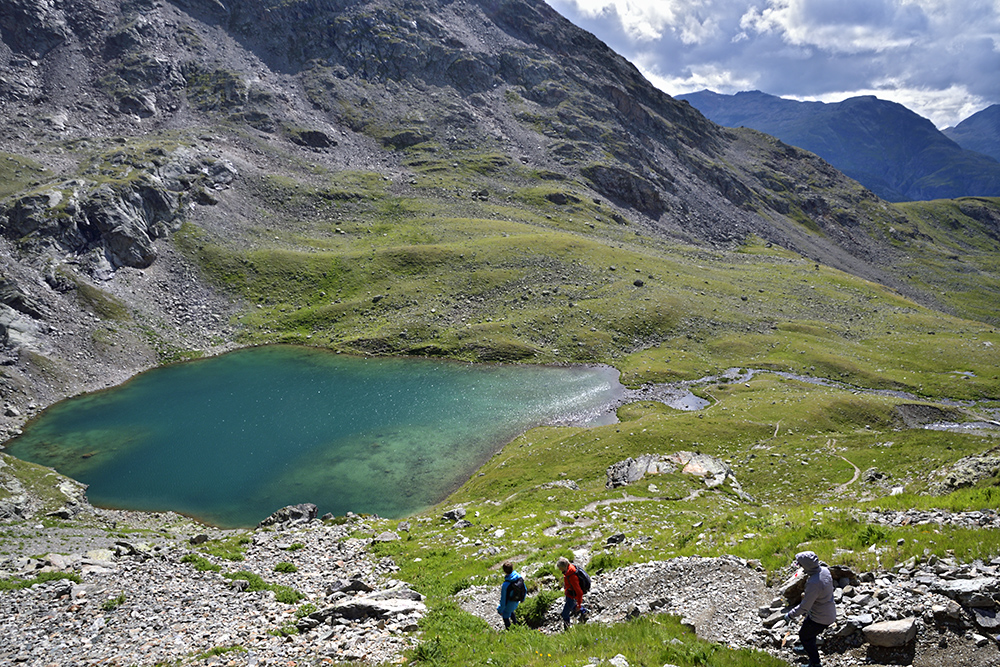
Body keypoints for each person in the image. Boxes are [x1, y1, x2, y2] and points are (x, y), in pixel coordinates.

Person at [784, 551, 836, 667]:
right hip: (828, 611)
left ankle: (815, 663)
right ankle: (807, 648)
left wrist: (790, 615)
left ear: (806, 566)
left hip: (820, 617)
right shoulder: (824, 570)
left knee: (804, 635)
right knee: (807, 630)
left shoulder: (814, 583)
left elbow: (805, 606)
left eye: (801, 565)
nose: (800, 567)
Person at [556, 556, 589, 630]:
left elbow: (579, 592)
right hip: (570, 594)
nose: (559, 570)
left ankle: (567, 630)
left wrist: (579, 604)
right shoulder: (570, 569)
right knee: (573, 606)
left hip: (572, 596)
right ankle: (584, 613)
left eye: (560, 568)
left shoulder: (572, 576)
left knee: (565, 614)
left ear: (564, 567)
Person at [497, 561, 522, 629]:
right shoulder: (519, 577)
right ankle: (516, 624)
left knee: (505, 615)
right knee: (511, 610)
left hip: (510, 602)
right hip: (517, 600)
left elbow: (503, 600)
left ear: (504, 571)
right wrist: (522, 599)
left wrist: (499, 609)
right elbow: (524, 589)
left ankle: (510, 630)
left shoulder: (505, 585)